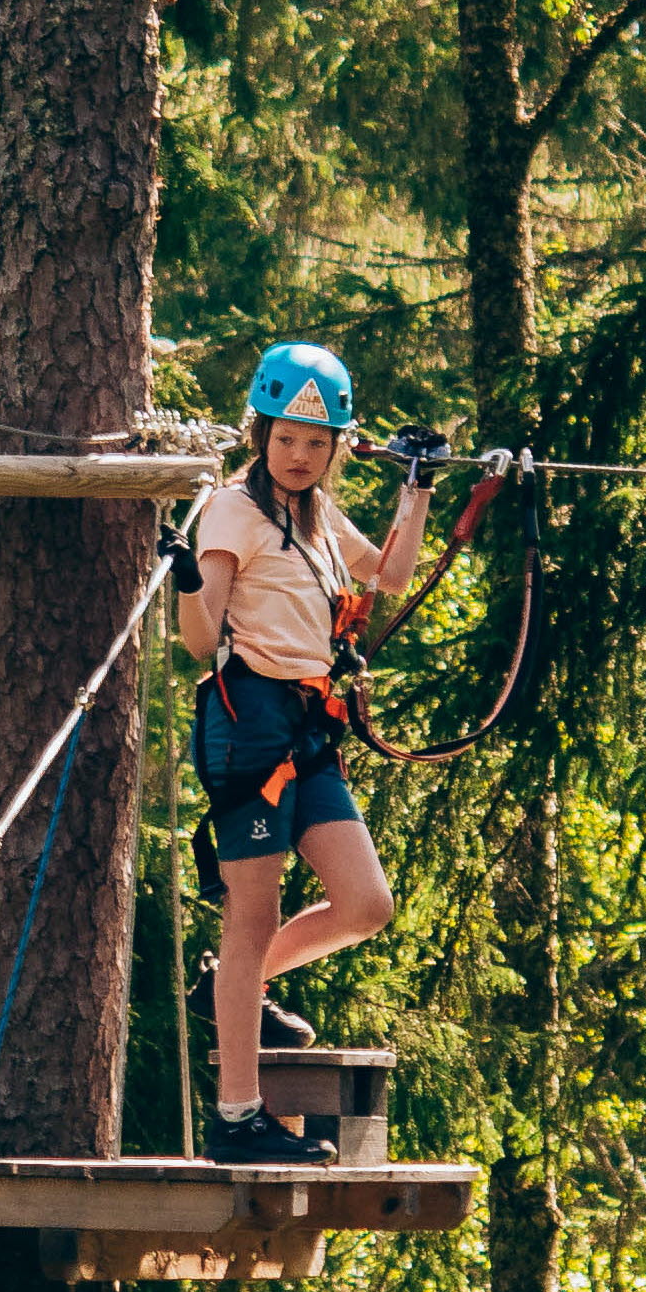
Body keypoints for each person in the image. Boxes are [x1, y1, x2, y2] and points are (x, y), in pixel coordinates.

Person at [172, 340, 432, 1165]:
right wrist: (184, 581)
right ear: (261, 432)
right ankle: (238, 1117)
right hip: (248, 723)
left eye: (315, 443)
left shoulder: (319, 519)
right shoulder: (229, 511)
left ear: (336, 450)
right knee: (251, 917)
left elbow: (390, 574)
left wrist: (417, 487)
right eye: (286, 437)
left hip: (308, 729)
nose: (297, 454)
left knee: (366, 904)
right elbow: (200, 639)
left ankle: (228, 992)